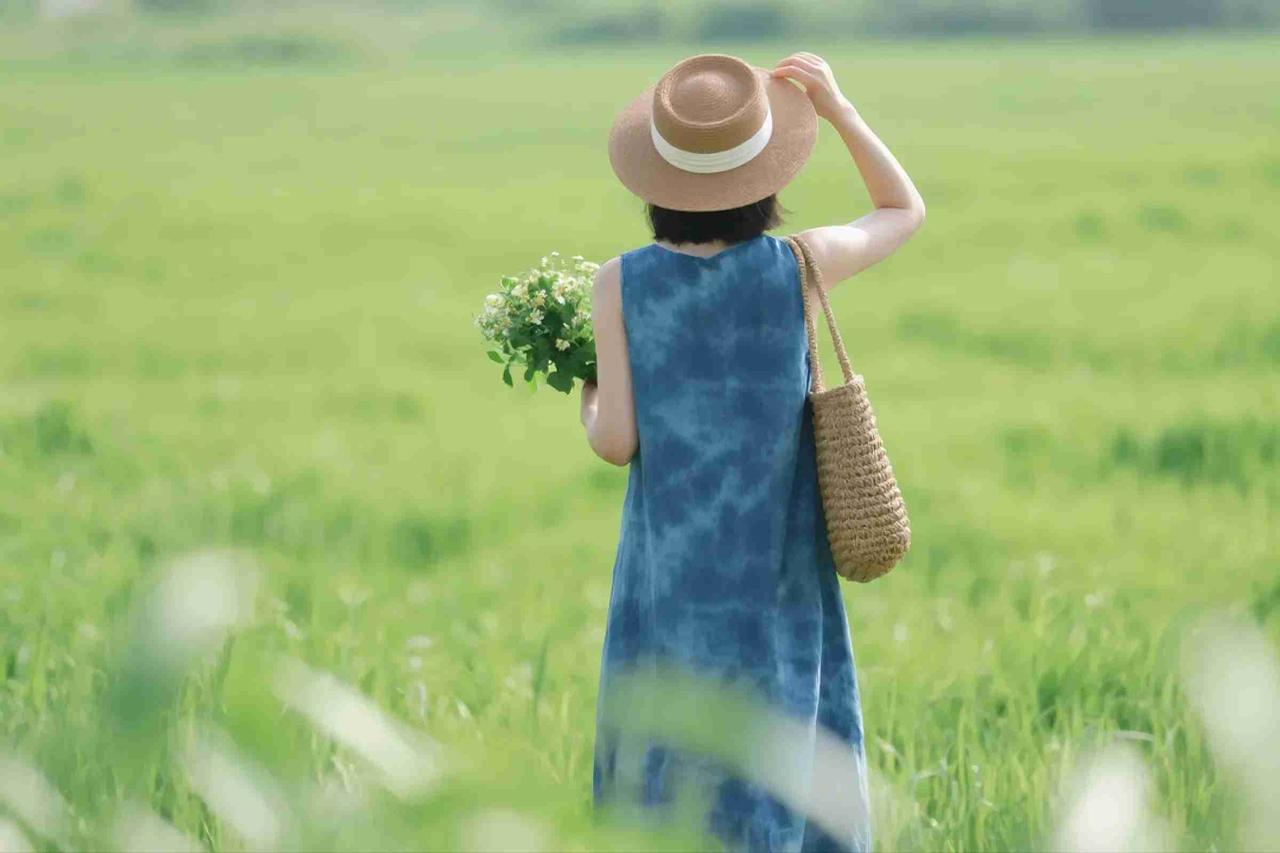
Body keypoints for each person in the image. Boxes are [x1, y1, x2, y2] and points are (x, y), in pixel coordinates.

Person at [579, 52, 925, 852]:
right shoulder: (799, 266)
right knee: (783, 742)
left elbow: (616, 440)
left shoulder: (619, 283)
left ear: (654, 181)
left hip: (670, 577)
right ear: (768, 176)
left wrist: (589, 394)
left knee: (669, 752)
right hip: (777, 575)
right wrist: (839, 109)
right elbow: (901, 209)